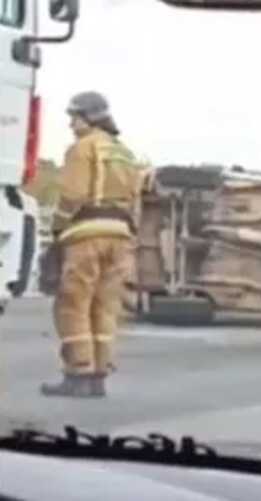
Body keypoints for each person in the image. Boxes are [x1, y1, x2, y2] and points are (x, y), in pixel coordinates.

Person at [41, 91, 144, 398]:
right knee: (106, 306)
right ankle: (99, 375)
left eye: (75, 116)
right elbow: (136, 197)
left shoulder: (82, 148)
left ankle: (78, 374)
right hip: (121, 236)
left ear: (89, 117)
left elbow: (72, 196)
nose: (71, 123)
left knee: (73, 303)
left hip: (86, 235)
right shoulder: (124, 152)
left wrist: (57, 231)